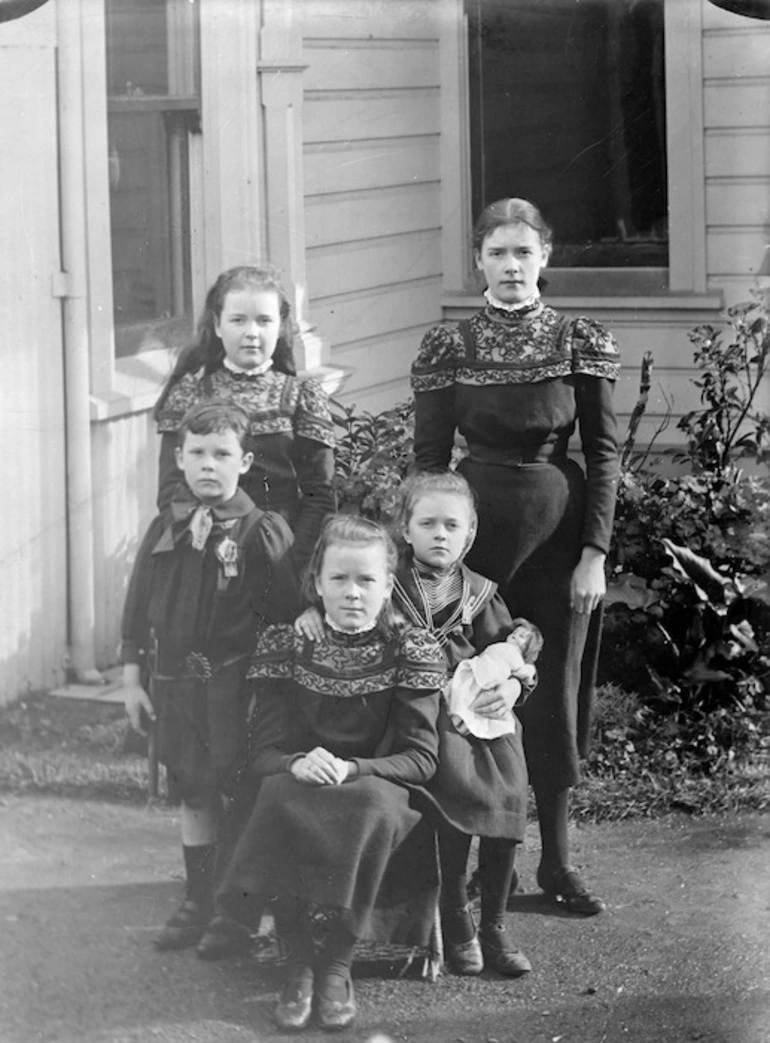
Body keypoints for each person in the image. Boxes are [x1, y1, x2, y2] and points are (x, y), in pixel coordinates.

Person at [411, 197, 620, 916]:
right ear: (478, 261)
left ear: (545, 260)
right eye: (497, 253)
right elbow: (430, 457)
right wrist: (430, 550)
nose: (510, 266)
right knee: (471, 683)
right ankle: (469, 855)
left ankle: (558, 863)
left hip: (559, 543)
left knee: (553, 691)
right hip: (477, 540)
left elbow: (604, 452)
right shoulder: (450, 348)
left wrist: (594, 552)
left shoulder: (577, 339)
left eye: (522, 253)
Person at [297, 471, 538, 978]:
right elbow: (351, 608)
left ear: (469, 534)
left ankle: (494, 922)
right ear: (405, 530)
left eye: (452, 525)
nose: (440, 535)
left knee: (509, 787)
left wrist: (514, 687)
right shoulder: (388, 583)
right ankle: (455, 916)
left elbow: (512, 651)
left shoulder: (480, 593)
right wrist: (313, 615)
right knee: (447, 787)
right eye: (427, 523)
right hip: (417, 713)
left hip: (477, 713)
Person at [215, 515, 446, 1033]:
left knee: (367, 805)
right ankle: (297, 961)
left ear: (389, 586)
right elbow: (263, 751)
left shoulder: (411, 647)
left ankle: (337, 964)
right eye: (338, 579)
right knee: (276, 795)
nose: (353, 592)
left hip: (381, 783)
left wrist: (353, 767)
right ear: (316, 583)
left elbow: (421, 758)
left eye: (367, 580)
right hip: (301, 779)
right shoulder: (288, 642)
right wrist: (296, 762)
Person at [120, 401, 300, 955]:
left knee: (240, 792)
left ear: (244, 461)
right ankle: (197, 900)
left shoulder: (260, 532)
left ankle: (236, 914)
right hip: (176, 685)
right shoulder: (166, 526)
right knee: (194, 791)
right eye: (196, 453)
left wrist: (269, 692)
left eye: (221, 454)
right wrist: (133, 679)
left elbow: (287, 616)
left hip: (238, 689)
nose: (208, 465)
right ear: (179, 457)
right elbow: (137, 606)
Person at [153, 264, 335, 572]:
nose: (252, 333)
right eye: (238, 320)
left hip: (280, 552)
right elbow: (171, 489)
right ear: (218, 324)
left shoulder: (301, 396)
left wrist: (292, 561)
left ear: (280, 327)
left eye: (264, 321)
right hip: (204, 553)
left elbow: (320, 496)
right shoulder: (191, 393)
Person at [447, 617, 542, 739]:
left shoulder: (514, 654)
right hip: (479, 669)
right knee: (463, 692)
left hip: (493, 679)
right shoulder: (501, 645)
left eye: (522, 636)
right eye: (515, 633)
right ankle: (457, 715)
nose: (515, 636)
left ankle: (463, 722)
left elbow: (525, 671)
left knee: (477, 704)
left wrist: (517, 684)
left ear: (528, 647)